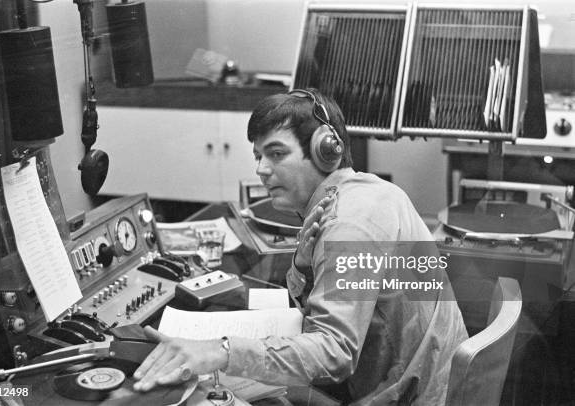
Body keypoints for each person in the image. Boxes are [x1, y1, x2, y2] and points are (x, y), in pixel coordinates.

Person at [133, 88, 468, 404]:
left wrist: (220, 351)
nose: (262, 170)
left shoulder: (350, 224)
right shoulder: (368, 191)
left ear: (326, 151)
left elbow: (335, 353)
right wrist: (303, 269)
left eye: (277, 153)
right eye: (258, 156)